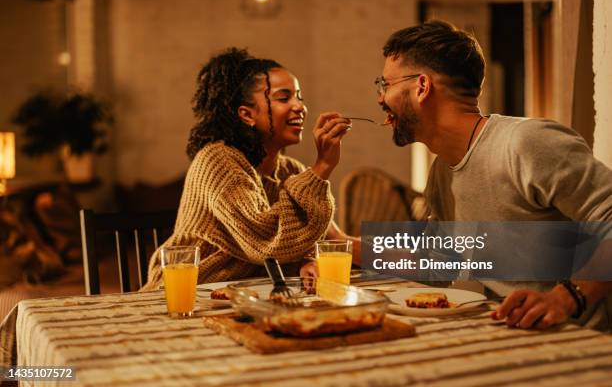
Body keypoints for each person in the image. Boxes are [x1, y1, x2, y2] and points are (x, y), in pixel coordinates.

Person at [376, 20, 612, 329]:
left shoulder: (526, 143)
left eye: (386, 85)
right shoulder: (441, 172)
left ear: (422, 87)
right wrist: (342, 244)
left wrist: (565, 298)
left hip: (573, 341)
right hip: (507, 333)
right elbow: (439, 263)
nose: (381, 98)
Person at [142, 48, 357, 290]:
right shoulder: (217, 161)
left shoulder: (291, 171)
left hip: (247, 298)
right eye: (284, 98)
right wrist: (323, 166)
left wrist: (405, 257)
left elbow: (334, 241)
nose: (300, 107)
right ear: (247, 114)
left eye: (300, 97)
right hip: (183, 295)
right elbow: (266, 244)